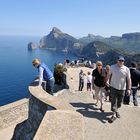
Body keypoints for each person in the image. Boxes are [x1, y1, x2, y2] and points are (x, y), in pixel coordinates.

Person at [108, 56, 131, 123]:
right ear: (117, 60)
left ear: (123, 62)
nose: (121, 62)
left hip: (122, 88)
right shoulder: (112, 67)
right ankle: (114, 115)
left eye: (122, 61)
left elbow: (129, 79)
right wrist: (106, 81)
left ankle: (116, 110)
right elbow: (109, 75)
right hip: (113, 87)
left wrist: (129, 89)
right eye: (120, 60)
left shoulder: (126, 69)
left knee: (119, 103)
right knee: (113, 101)